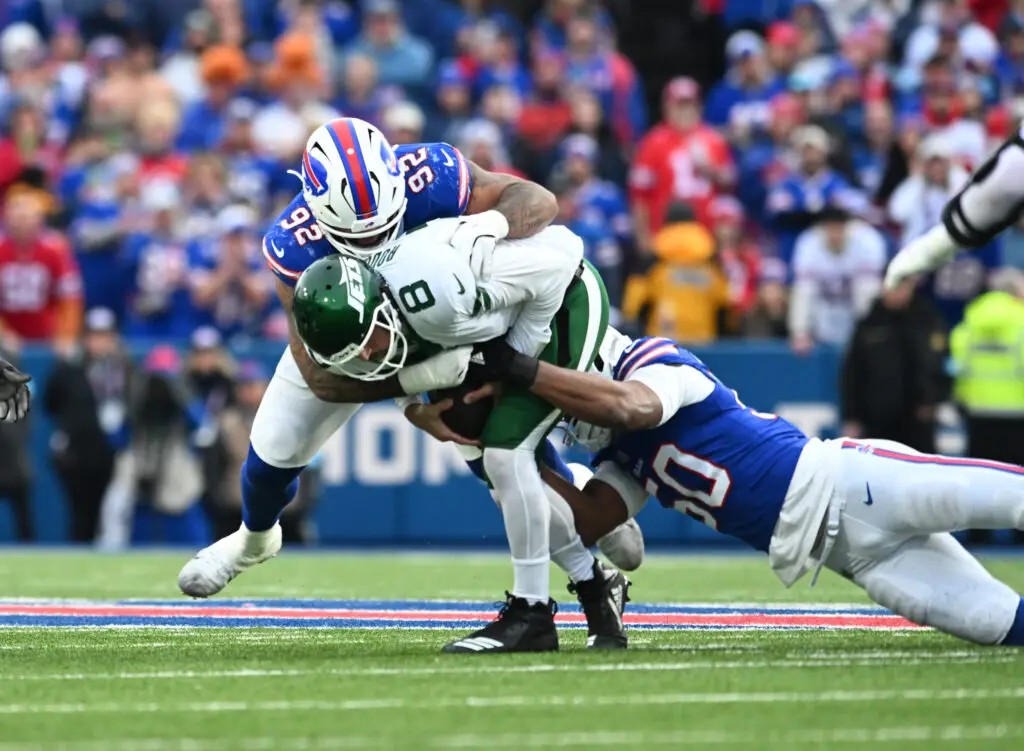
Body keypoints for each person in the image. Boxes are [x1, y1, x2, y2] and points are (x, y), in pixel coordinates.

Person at [178, 119, 641, 651]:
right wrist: (417, 384)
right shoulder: (293, 243)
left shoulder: (429, 172)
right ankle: (253, 540)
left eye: (386, 227)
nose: (377, 244)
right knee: (269, 458)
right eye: (361, 238)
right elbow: (320, 375)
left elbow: (533, 198)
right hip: (356, 347)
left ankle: (584, 540)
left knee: (497, 451)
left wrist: (486, 225)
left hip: (444, 323)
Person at [467, 329, 1024, 647]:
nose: (571, 418)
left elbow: (632, 406)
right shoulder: (621, 457)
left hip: (860, 484)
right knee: (998, 625)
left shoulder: (654, 362)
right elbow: (588, 522)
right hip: (846, 556)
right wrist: (503, 454)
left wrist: (525, 370)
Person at [240, 219, 629, 654]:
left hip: (564, 297)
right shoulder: (371, 315)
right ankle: (596, 587)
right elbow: (390, 363)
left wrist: (518, 362)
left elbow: (559, 261)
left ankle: (532, 613)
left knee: (505, 455)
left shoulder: (435, 294)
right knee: (490, 462)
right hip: (484, 332)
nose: (368, 355)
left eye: (369, 341)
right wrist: (414, 409)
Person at [886, 124, 1024, 290]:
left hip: (966, 253)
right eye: (931, 163)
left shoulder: (962, 180)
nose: (937, 168)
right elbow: (897, 211)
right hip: (933, 256)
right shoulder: (914, 189)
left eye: (940, 162)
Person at [43, 307, 132, 543]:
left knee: (107, 513)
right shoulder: (70, 367)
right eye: (94, 335)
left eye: (104, 335)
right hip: (75, 451)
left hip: (109, 450)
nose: (99, 341)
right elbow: (50, 402)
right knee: (80, 511)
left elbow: (134, 402)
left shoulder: (123, 367)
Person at [842, 277, 949, 454]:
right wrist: (851, 416)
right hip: (878, 417)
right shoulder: (869, 323)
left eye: (903, 287)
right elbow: (853, 373)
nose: (898, 293)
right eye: (893, 287)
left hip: (919, 417)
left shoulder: (927, 320)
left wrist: (935, 400)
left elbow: (942, 363)